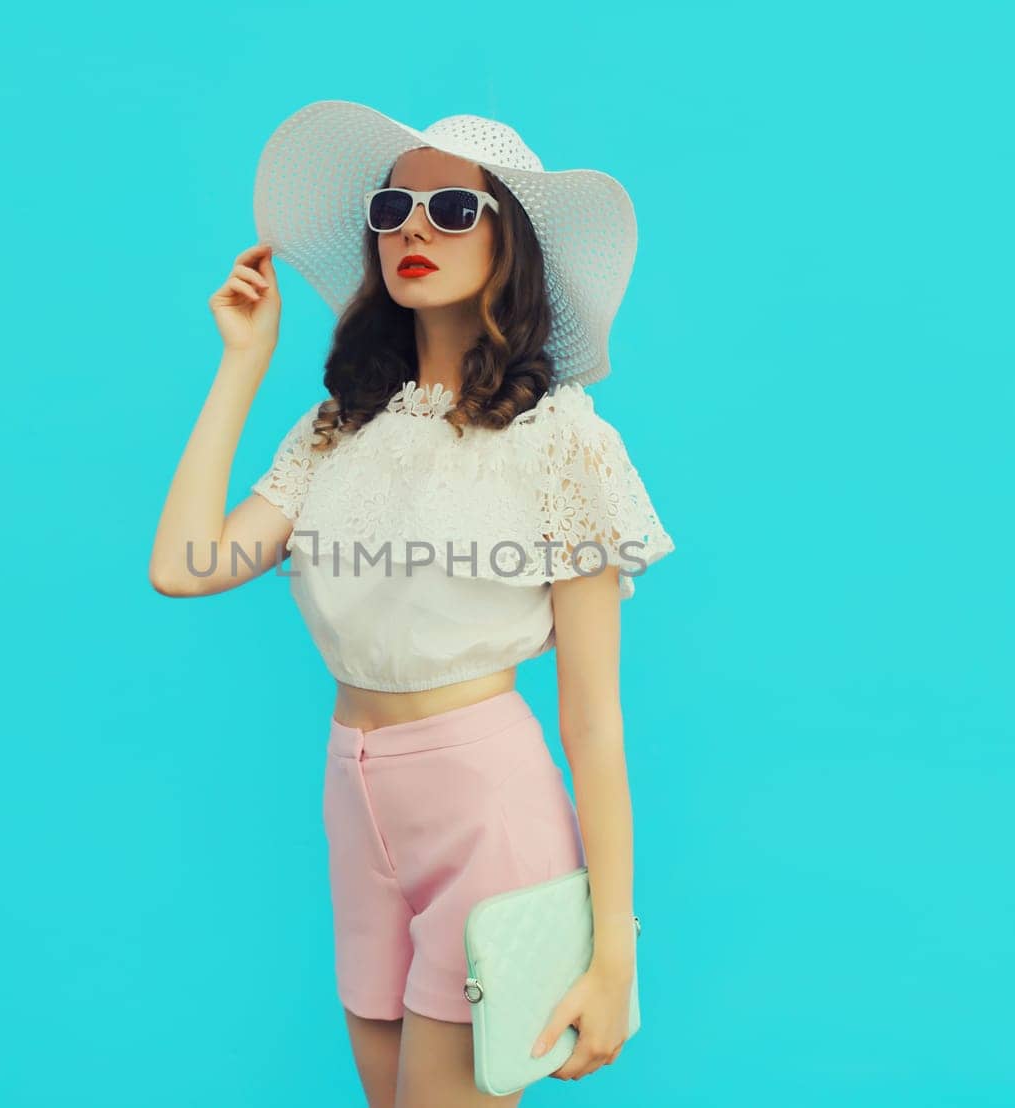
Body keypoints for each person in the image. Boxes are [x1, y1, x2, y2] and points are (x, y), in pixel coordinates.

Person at [149, 100, 675, 1106]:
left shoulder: (562, 439)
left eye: (449, 209)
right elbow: (185, 564)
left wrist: (614, 956)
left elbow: (593, 723)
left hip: (485, 806)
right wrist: (240, 363)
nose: (412, 229)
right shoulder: (337, 430)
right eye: (392, 207)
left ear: (509, 242)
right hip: (354, 801)